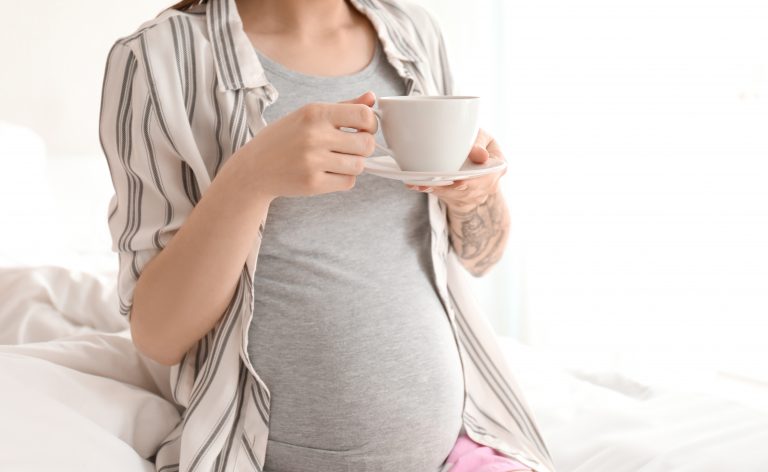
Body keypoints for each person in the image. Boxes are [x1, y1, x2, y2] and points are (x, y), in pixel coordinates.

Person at [98, 0, 556, 471]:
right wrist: (250, 178)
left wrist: (475, 199)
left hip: (459, 450)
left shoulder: (413, 33)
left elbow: (482, 259)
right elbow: (157, 334)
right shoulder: (157, 58)